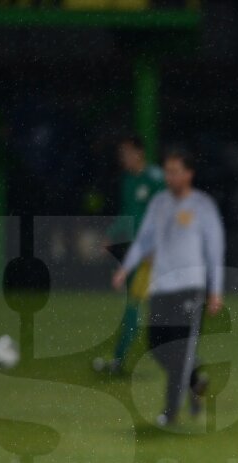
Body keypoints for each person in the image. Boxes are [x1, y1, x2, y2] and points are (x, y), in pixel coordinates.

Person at [110, 147, 224, 427]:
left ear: (188, 174)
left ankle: (170, 413)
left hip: (190, 288)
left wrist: (215, 290)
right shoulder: (159, 203)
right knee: (157, 345)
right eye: (167, 172)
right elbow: (145, 240)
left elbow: (215, 250)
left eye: (175, 172)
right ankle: (194, 378)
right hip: (160, 286)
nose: (169, 177)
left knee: (181, 348)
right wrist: (125, 268)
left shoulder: (202, 206)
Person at [94, 135, 165, 376]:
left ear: (139, 153)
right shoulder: (128, 180)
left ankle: (188, 366)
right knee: (136, 310)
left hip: (154, 255)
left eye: (126, 153)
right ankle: (118, 361)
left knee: (152, 311)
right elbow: (128, 213)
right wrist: (111, 235)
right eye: (120, 154)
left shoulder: (155, 179)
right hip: (139, 254)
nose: (122, 158)